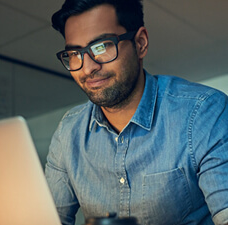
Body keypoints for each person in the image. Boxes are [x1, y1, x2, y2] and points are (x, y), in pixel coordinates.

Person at [44, 0, 228, 225]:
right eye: (74, 53)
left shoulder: (203, 112)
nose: (88, 67)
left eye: (101, 46)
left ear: (140, 43)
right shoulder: (68, 132)